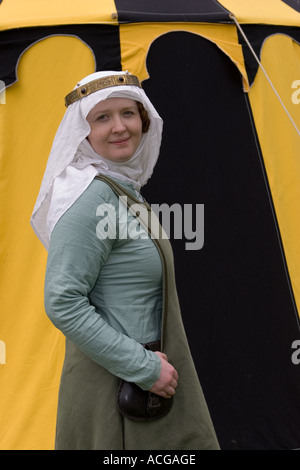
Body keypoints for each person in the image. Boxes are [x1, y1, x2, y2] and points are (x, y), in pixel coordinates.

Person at [31, 70, 220, 450]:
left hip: (145, 383)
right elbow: (63, 301)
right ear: (82, 132)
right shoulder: (92, 199)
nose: (119, 127)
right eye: (102, 117)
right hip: (119, 393)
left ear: (144, 120)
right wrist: (144, 368)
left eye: (128, 114)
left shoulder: (121, 189)